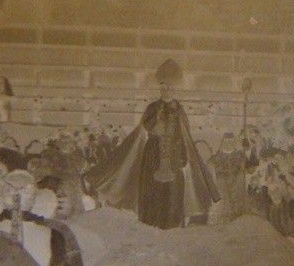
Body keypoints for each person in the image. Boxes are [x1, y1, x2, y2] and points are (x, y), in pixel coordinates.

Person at [84, 59, 220, 229]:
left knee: (173, 195)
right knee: (153, 193)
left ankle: (172, 228)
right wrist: (158, 122)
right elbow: (146, 128)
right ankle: (150, 227)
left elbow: (184, 136)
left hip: (174, 158)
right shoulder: (152, 108)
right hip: (153, 157)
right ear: (160, 88)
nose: (167, 90)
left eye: (170, 87)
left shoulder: (179, 110)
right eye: (163, 87)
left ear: (175, 89)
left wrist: (183, 156)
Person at [209, 132, 248, 222]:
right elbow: (212, 163)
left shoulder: (239, 155)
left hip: (235, 178)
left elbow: (243, 166)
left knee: (237, 189)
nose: (228, 143)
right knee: (222, 189)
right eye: (226, 141)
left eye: (230, 141)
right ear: (223, 142)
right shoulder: (218, 155)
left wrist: (241, 167)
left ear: (234, 142)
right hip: (222, 180)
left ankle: (236, 214)